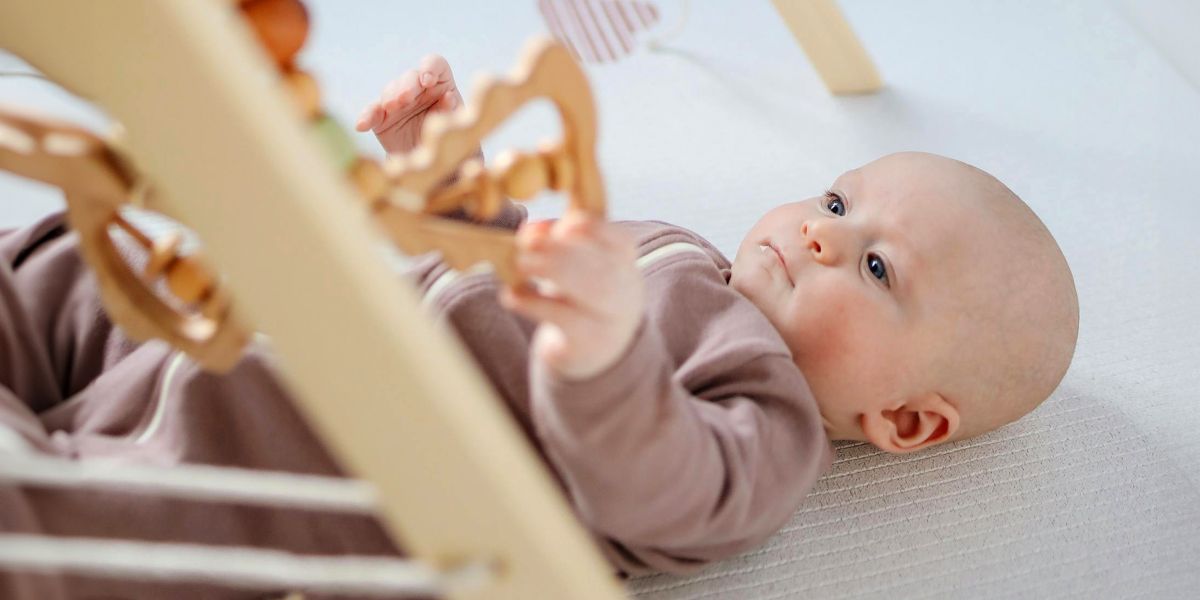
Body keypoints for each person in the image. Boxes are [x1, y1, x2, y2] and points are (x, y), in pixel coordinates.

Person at [0, 54, 1078, 598]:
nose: (822, 238)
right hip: (259, 329)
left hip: (310, 465)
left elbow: (650, 486)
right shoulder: (681, 255)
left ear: (905, 422)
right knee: (89, 269)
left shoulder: (771, 435)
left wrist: (604, 358)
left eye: (879, 266)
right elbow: (504, 241)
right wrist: (443, 164)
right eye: (837, 204)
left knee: (92, 517)